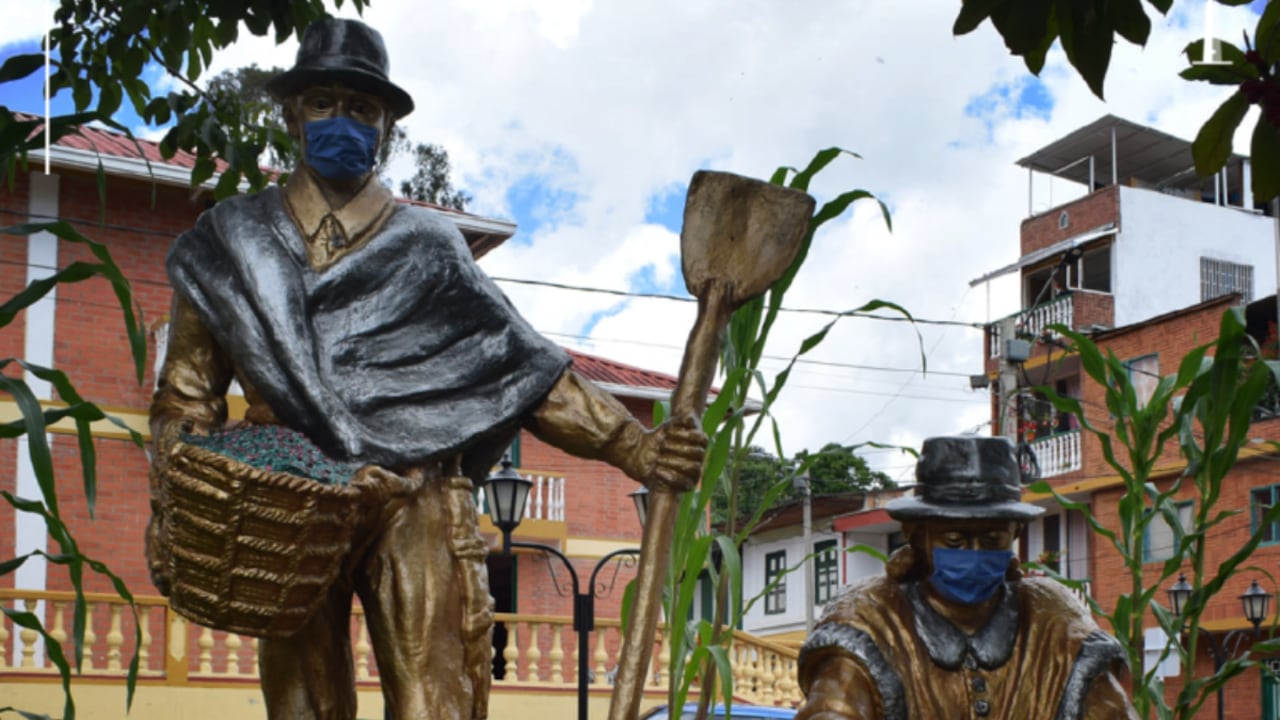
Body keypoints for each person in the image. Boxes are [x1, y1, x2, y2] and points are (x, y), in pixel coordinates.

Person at [146, 17, 705, 720]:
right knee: (300, 705)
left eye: (362, 108)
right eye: (323, 103)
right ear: (293, 113)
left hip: (413, 500)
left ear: (385, 126)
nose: (341, 121)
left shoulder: (430, 247)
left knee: (433, 700)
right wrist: (191, 470)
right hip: (287, 505)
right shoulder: (228, 243)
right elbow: (185, 397)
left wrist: (637, 446)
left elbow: (524, 369)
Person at [795, 436, 1137, 720]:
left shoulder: (1053, 618)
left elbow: (1109, 710)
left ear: (1015, 532)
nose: (974, 553)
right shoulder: (870, 618)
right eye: (955, 540)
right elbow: (834, 707)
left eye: (993, 540)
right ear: (917, 535)